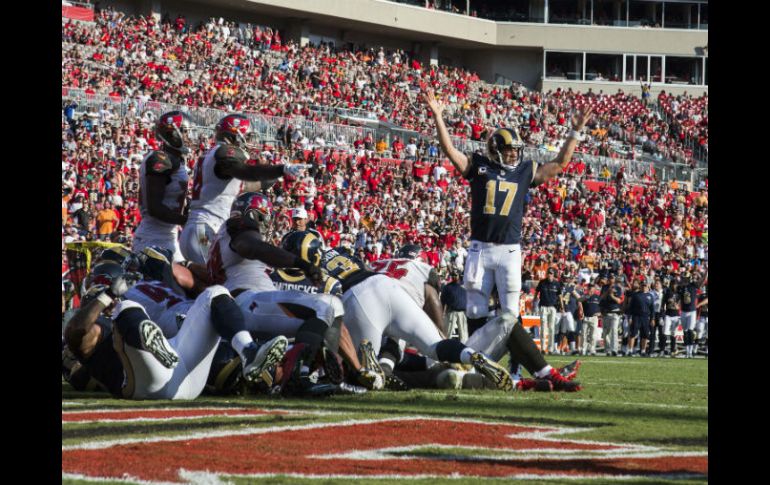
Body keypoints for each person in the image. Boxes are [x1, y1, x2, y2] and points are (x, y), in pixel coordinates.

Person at [423, 87, 590, 391]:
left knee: (510, 316)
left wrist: (575, 133)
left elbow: (560, 164)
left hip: (510, 250)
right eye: (510, 149)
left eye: (516, 149)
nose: (515, 153)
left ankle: (514, 369)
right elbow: (450, 152)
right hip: (480, 249)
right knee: (475, 311)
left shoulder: (524, 170)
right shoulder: (479, 166)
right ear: (496, 148)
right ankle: (482, 365)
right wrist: (438, 118)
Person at [63, 261, 287, 400]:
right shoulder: (92, 332)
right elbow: (75, 331)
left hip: (184, 379)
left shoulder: (128, 309)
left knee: (215, 293)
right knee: (128, 306)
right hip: (144, 386)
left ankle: (248, 351)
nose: (112, 301)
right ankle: (160, 350)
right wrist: (107, 297)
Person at [180, 114, 309, 264]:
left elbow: (243, 184)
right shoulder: (224, 152)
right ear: (234, 136)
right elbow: (246, 172)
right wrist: (281, 169)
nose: (249, 142)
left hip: (200, 228)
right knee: (216, 282)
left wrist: (270, 179)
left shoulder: (212, 155)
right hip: (204, 230)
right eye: (247, 137)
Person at [132, 111, 192, 261]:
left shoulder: (176, 160)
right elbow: (155, 208)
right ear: (173, 134)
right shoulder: (161, 159)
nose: (189, 137)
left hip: (167, 236)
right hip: (154, 238)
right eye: (185, 131)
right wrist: (188, 221)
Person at [535, 268, 562, 354]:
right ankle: (543, 348)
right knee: (543, 328)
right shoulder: (542, 282)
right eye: (548, 273)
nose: (549, 275)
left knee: (551, 328)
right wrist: (534, 302)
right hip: (543, 307)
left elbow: (560, 296)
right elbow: (536, 293)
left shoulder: (557, 284)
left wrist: (562, 306)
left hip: (553, 308)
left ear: (554, 275)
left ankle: (550, 349)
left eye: (551, 273)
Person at [627, 281, 655, 356]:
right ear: (640, 286)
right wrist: (629, 317)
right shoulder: (635, 295)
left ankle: (643, 351)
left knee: (645, 334)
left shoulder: (650, 296)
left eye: (645, 286)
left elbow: (652, 309)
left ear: (648, 287)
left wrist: (652, 318)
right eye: (643, 285)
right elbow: (630, 307)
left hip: (646, 317)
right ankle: (630, 350)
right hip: (636, 316)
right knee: (633, 333)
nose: (644, 287)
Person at [440, 271, 468, 342]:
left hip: (462, 312)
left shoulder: (465, 287)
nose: (455, 277)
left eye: (456, 275)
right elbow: (443, 300)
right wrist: (442, 312)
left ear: (459, 276)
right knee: (447, 334)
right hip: (451, 312)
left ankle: (463, 348)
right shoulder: (447, 287)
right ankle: (446, 347)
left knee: (464, 335)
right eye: (453, 275)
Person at [600, 273, 624, 356]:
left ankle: (614, 349)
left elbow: (619, 301)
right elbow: (601, 298)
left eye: (612, 278)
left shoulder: (618, 288)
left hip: (615, 312)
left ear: (615, 279)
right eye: (610, 278)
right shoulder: (604, 287)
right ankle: (608, 350)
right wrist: (608, 291)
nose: (611, 279)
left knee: (614, 330)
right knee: (606, 332)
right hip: (606, 312)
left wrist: (611, 295)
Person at [579, 282, 602, 355]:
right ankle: (583, 349)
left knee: (593, 335)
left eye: (592, 290)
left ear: (594, 290)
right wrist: (581, 310)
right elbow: (579, 301)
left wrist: (600, 313)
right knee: (583, 334)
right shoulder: (585, 296)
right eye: (590, 290)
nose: (591, 292)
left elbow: (602, 306)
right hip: (586, 317)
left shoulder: (598, 297)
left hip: (594, 318)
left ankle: (592, 349)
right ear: (588, 289)